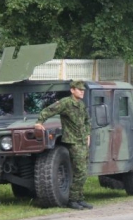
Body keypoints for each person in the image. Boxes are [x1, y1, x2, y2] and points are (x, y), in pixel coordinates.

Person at [35, 80, 93, 210]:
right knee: (80, 171)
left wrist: (88, 135)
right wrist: (40, 122)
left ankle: (79, 198)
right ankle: (72, 200)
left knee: (83, 172)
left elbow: (87, 121)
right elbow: (49, 110)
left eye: (83, 90)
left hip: (83, 141)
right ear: (72, 90)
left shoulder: (81, 105)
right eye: (79, 89)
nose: (82, 92)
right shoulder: (66, 103)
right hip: (73, 141)